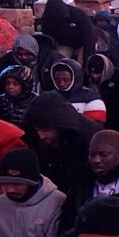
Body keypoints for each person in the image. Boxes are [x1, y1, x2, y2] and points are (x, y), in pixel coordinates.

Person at [22, 92, 102, 221]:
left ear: (60, 126)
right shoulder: (35, 137)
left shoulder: (89, 137)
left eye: (46, 130)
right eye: (37, 130)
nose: (41, 136)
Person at [49, 58, 107, 123]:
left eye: (66, 80)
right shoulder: (47, 97)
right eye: (57, 80)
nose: (61, 83)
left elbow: (95, 126)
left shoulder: (92, 98)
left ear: (75, 78)